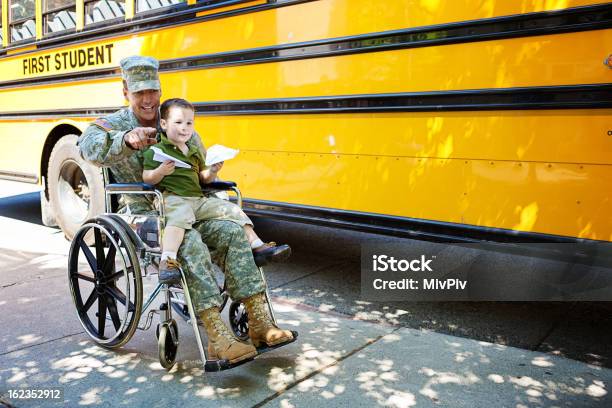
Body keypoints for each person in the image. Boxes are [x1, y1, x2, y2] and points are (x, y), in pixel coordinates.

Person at [78, 56, 294, 364]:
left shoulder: (176, 120)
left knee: (232, 232)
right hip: (146, 215)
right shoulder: (113, 125)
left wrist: (211, 171)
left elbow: (199, 174)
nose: (148, 99)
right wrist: (125, 140)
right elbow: (88, 148)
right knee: (188, 243)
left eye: (153, 90)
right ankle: (218, 337)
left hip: (189, 207)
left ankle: (260, 323)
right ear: (125, 91)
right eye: (139, 92)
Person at [142, 98, 290, 284]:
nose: (184, 127)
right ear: (163, 124)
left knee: (232, 209)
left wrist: (212, 171)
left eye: (189, 123)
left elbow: (203, 179)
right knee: (179, 216)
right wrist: (160, 171)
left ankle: (258, 247)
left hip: (198, 199)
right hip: (174, 198)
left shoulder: (194, 151)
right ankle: (168, 260)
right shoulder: (157, 150)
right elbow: (147, 177)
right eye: (178, 122)